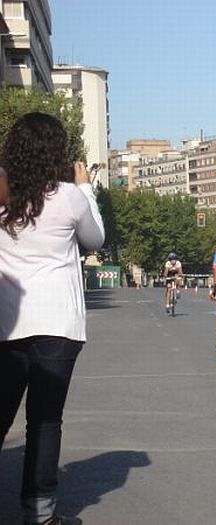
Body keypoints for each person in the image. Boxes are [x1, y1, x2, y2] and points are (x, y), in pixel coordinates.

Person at [0, 112, 105, 525]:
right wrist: (85, 186)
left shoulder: (4, 192)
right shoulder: (68, 196)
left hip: (7, 323)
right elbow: (95, 239)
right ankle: (40, 514)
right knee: (44, 422)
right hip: (58, 325)